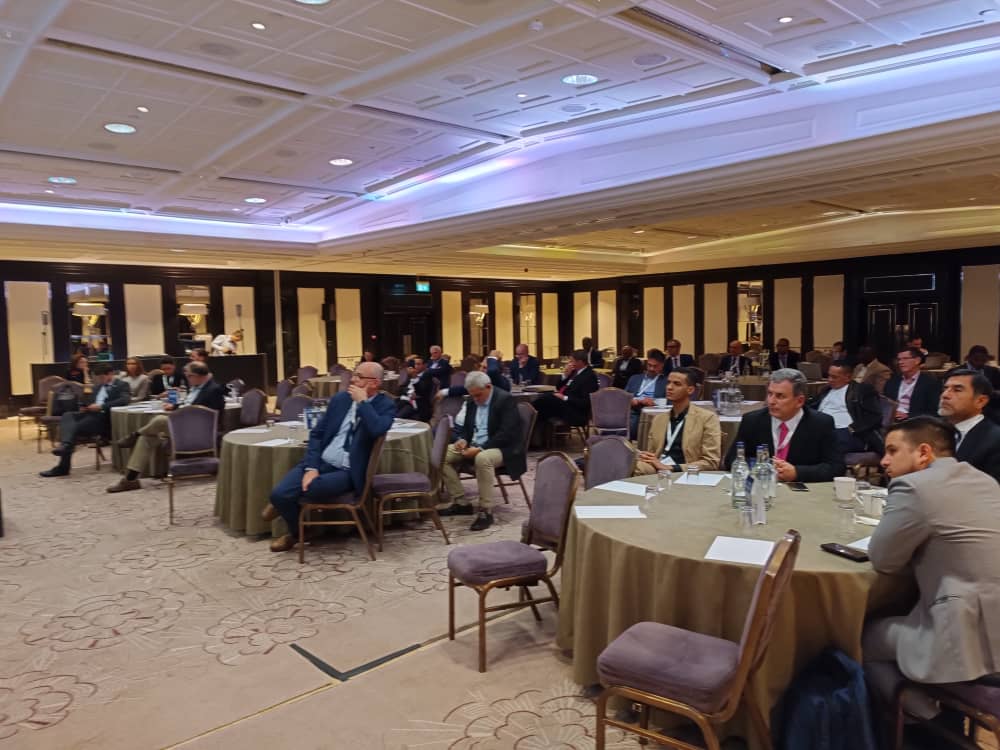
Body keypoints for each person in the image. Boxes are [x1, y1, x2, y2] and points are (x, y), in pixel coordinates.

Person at [862, 417, 1000, 721]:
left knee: (859, 637)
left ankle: (926, 722)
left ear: (924, 452)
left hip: (962, 634)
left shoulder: (914, 486)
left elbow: (884, 560)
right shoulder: (985, 480)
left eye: (892, 451)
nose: (884, 461)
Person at [261, 362, 395, 552]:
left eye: (358, 376)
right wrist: (311, 468)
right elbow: (317, 434)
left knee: (311, 488)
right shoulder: (340, 399)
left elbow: (377, 429)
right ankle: (299, 531)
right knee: (279, 494)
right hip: (322, 461)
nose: (352, 380)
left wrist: (363, 403)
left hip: (347, 471)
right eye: (353, 375)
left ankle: (285, 511)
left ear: (374, 383)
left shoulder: (385, 405)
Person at [106, 362, 226, 492]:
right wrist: (175, 406)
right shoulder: (197, 387)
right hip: (184, 429)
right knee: (146, 438)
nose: (187, 379)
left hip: (199, 433)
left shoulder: (214, 390)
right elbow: (189, 405)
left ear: (198, 375)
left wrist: (180, 414)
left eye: (189, 376)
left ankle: (134, 435)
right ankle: (130, 479)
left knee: (160, 420)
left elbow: (209, 417)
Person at [438, 371, 525, 531]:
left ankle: (485, 511)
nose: (476, 399)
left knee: (482, 458)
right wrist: (463, 440)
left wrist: (480, 448)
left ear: (488, 387)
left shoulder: (505, 400)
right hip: (474, 444)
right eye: (473, 396)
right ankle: (461, 502)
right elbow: (467, 428)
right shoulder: (472, 400)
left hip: (503, 448)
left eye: (478, 395)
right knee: (441, 454)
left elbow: (506, 434)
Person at [724, 368, 843, 482]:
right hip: (761, 486)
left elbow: (836, 468)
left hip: (801, 490)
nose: (771, 401)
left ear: (799, 401)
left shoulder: (821, 423)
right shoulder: (752, 421)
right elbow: (731, 460)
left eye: (780, 396)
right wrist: (762, 468)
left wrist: (797, 472)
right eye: (770, 394)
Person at [40, 363, 130, 477]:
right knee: (67, 415)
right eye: (98, 378)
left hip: (103, 419)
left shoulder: (122, 385)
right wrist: (83, 406)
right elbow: (86, 401)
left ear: (110, 374)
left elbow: (124, 400)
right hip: (89, 414)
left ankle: (63, 465)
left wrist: (101, 406)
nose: (100, 380)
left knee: (71, 429)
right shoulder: (97, 387)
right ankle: (66, 446)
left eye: (102, 377)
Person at [636, 367, 721, 473]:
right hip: (658, 469)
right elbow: (651, 454)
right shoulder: (659, 419)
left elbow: (711, 462)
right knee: (630, 464)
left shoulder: (707, 418)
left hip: (686, 472)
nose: (669, 387)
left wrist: (672, 468)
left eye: (677, 384)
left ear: (690, 390)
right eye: (668, 383)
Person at [810, 360, 884, 455]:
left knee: (824, 444)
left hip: (846, 432)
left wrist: (852, 429)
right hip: (821, 429)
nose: (830, 380)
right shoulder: (826, 390)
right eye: (829, 376)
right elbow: (811, 405)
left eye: (834, 377)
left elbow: (875, 416)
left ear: (848, 377)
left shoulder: (862, 391)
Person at [939, 369, 1000, 482]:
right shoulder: (932, 429)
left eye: (957, 390)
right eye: (945, 389)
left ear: (980, 401)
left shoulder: (995, 440)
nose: (945, 395)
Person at [533, 349, 599, 430]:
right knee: (543, 405)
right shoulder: (574, 371)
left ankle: (529, 421)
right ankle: (538, 432)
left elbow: (585, 402)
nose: (569, 363)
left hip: (576, 412)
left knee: (546, 401)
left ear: (580, 362)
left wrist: (564, 398)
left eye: (572, 361)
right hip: (564, 405)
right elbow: (558, 387)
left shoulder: (589, 377)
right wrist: (565, 375)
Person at [885, 347, 941, 420]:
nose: (900, 362)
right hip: (891, 419)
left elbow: (934, 412)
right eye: (899, 359)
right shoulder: (893, 380)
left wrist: (909, 416)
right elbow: (885, 403)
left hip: (914, 421)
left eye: (905, 358)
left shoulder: (930, 383)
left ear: (917, 360)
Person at [625, 349, 666, 439]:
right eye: (649, 365)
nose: (651, 369)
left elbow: (670, 401)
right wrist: (631, 400)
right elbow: (624, 396)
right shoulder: (634, 378)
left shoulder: (666, 381)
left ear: (661, 366)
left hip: (654, 411)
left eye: (655, 366)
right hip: (635, 409)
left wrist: (655, 402)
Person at [396, 356, 434, 422]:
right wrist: (409, 391)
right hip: (404, 400)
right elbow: (400, 389)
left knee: (397, 417)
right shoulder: (410, 375)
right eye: (415, 364)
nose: (415, 366)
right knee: (388, 412)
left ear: (424, 365)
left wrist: (415, 377)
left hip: (416, 404)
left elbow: (422, 391)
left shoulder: (427, 375)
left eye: (418, 364)